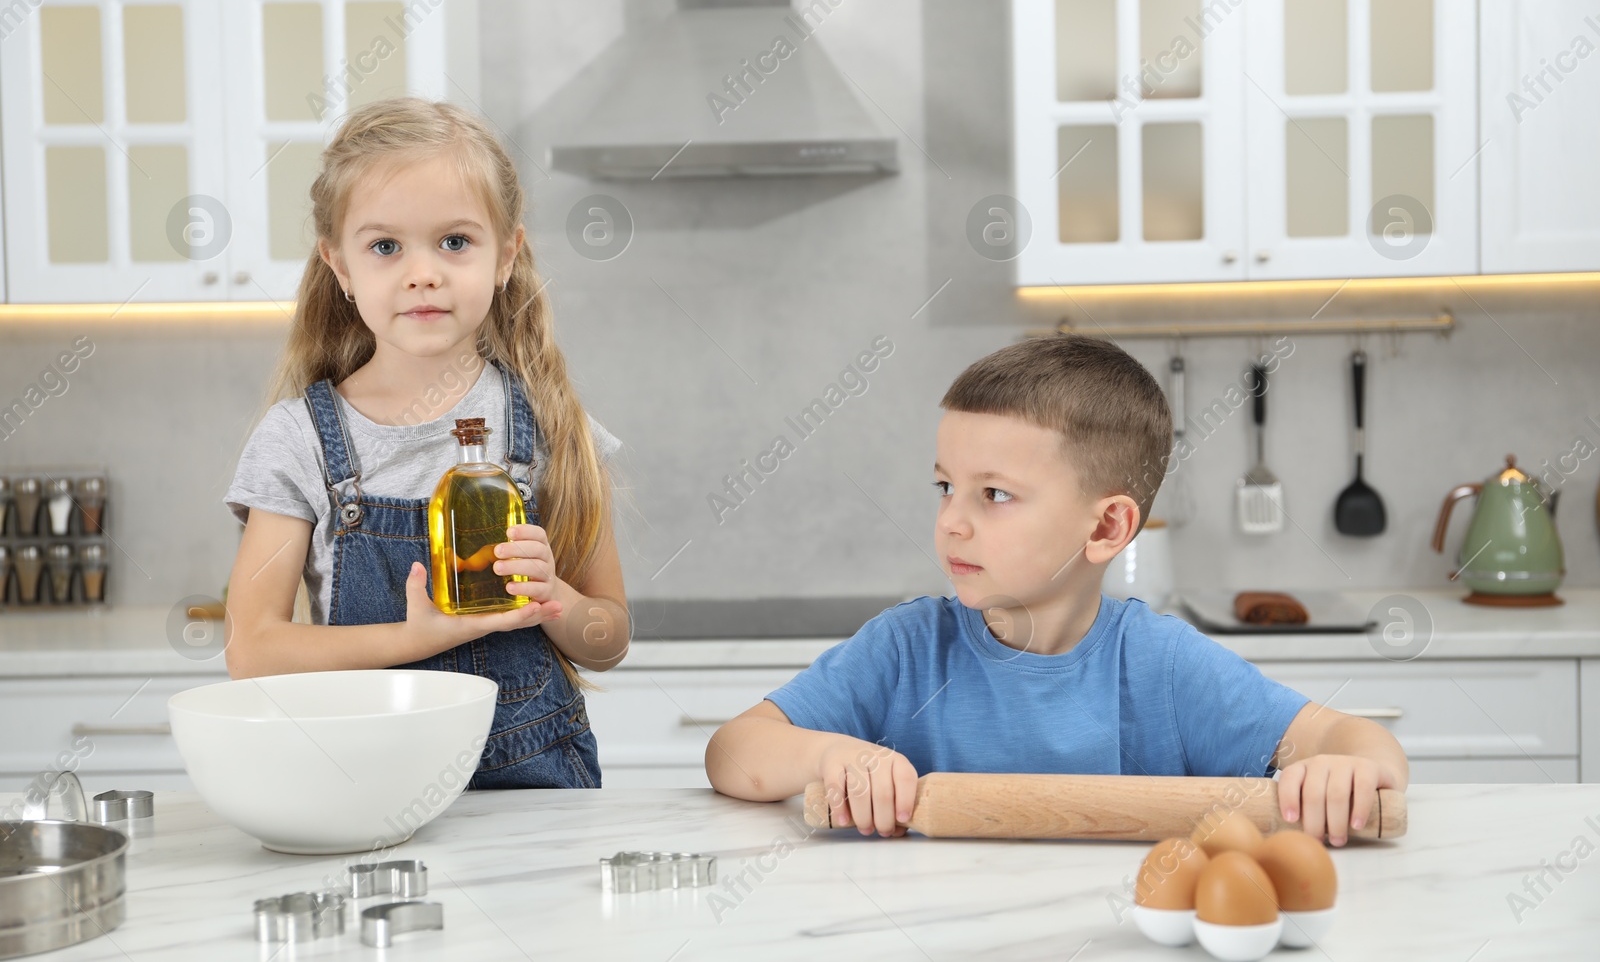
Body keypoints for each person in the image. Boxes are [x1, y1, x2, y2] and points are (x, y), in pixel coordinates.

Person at [706, 334, 1407, 845]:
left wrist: (1346, 767)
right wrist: (829, 756)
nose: (951, 520)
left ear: (1106, 526)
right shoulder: (907, 649)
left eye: (995, 495)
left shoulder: (1162, 665)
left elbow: (1356, 740)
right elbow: (735, 749)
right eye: (946, 485)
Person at [223, 97, 628, 789]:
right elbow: (252, 647)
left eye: (455, 242)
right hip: (363, 783)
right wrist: (414, 639)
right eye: (385, 246)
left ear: (506, 256)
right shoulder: (299, 440)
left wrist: (554, 593)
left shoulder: (552, 422)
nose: (423, 272)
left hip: (533, 793)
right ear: (339, 265)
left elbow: (609, 636)